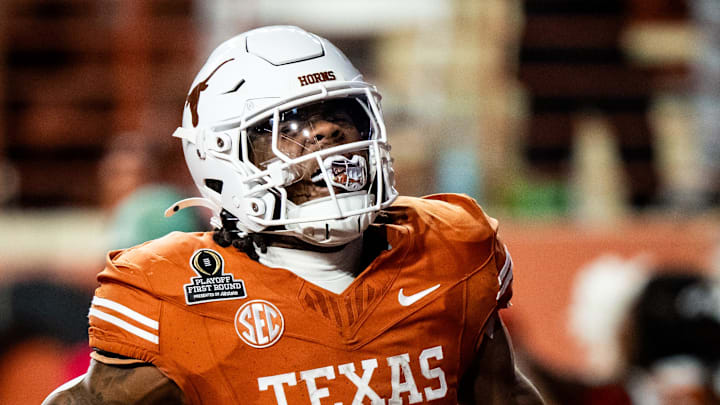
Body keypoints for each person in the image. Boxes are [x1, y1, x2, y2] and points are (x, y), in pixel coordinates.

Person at [43, 25, 544, 405]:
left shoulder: (448, 250)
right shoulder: (171, 297)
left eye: (339, 118)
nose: (325, 137)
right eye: (291, 129)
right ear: (221, 156)